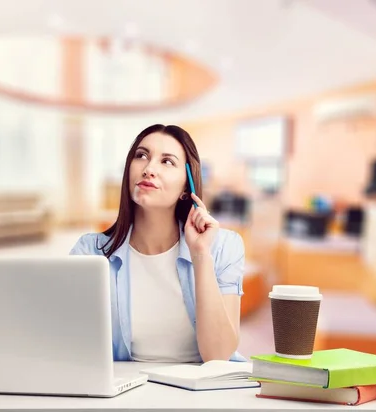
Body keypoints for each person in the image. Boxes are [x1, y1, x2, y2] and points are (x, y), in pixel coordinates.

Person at [70, 124, 245, 363]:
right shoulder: (90, 251)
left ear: (187, 186)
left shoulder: (225, 246)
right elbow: (70, 344)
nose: (149, 169)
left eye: (167, 162)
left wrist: (201, 254)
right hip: (127, 393)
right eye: (141, 156)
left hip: (203, 394)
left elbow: (218, 356)